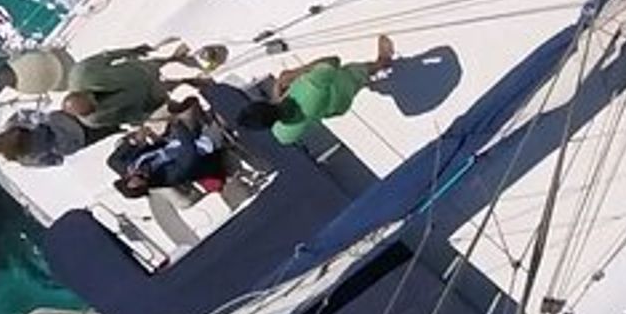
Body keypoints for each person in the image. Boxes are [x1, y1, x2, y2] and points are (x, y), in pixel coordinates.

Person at [238, 35, 394, 145]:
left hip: (336, 108)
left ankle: (364, 82)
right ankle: (382, 62)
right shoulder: (310, 86)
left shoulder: (283, 135)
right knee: (353, 72)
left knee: (351, 85)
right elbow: (333, 61)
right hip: (340, 87)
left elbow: (280, 116)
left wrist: (278, 98)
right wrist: (295, 73)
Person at [62, 42, 212, 134]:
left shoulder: (80, 72)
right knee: (171, 86)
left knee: (158, 63)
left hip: (136, 72)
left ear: (81, 93)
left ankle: (175, 58)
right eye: (94, 107)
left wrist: (132, 50)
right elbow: (124, 117)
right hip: (145, 97)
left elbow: (107, 56)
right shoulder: (93, 120)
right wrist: (146, 116)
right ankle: (189, 81)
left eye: (92, 100)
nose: (97, 102)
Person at [108, 97, 228, 198]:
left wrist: (135, 141)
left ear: (127, 176)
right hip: (203, 148)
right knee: (223, 117)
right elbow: (189, 151)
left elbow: (112, 160)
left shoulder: (126, 166)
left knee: (184, 102)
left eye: (138, 175)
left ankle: (201, 104)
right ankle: (219, 116)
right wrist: (177, 125)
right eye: (144, 178)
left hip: (172, 140)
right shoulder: (169, 177)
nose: (143, 173)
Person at [0, 108, 88, 167]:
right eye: (1, 143)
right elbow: (57, 160)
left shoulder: (12, 124)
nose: (2, 138)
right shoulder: (27, 159)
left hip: (68, 118)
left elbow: (33, 114)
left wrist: (37, 121)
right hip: (75, 138)